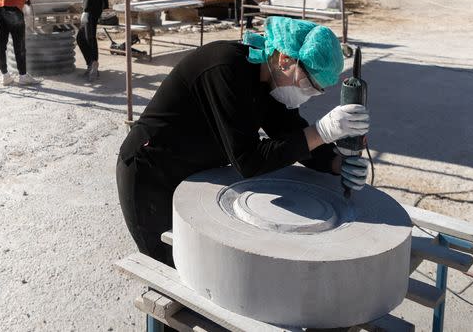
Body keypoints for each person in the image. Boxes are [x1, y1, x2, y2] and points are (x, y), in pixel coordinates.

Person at [116, 16, 370, 267]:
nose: (305, 94)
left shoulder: (272, 81)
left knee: (199, 264)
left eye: (315, 91)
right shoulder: (225, 68)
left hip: (193, 172)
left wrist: (336, 163)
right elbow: (249, 161)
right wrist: (323, 131)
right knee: (166, 268)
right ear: (285, 59)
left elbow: (291, 135)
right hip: (150, 170)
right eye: (306, 83)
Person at [0, 0, 39, 86]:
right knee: (19, 44)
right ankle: (23, 76)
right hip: (13, 10)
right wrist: (27, 0)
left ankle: (5, 76)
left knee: (1, 44)